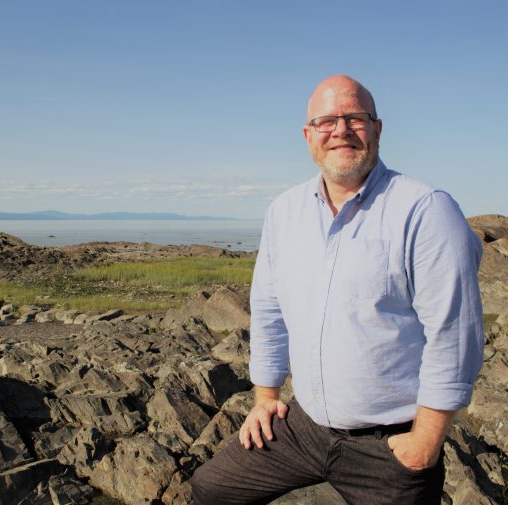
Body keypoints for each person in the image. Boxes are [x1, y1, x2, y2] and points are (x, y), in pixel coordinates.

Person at [191, 75, 484, 505]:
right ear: (308, 136)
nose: (341, 130)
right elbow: (269, 310)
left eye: (355, 118)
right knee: (211, 489)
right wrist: (265, 398)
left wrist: (424, 443)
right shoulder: (284, 213)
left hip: (388, 446)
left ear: (377, 128)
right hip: (303, 427)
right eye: (326, 121)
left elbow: (455, 335)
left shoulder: (425, 210)